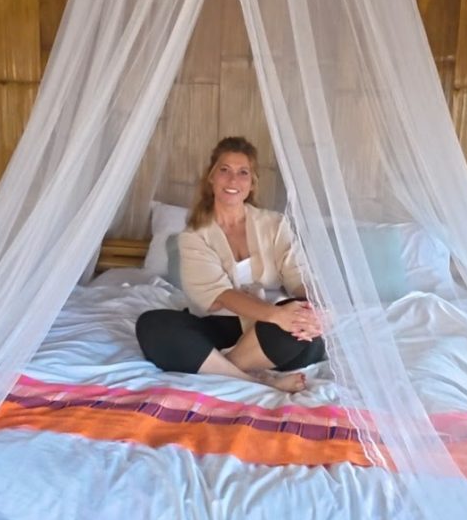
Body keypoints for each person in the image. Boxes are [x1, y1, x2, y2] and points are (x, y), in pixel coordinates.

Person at [135, 136, 325, 392]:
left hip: (274, 334)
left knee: (302, 320)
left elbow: (298, 276)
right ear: (211, 177)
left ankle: (222, 366)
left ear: (252, 183)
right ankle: (260, 380)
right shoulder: (194, 236)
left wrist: (311, 310)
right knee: (153, 325)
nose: (233, 180)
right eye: (224, 170)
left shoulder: (275, 224)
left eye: (243, 172)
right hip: (222, 327)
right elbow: (220, 296)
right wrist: (277, 315)